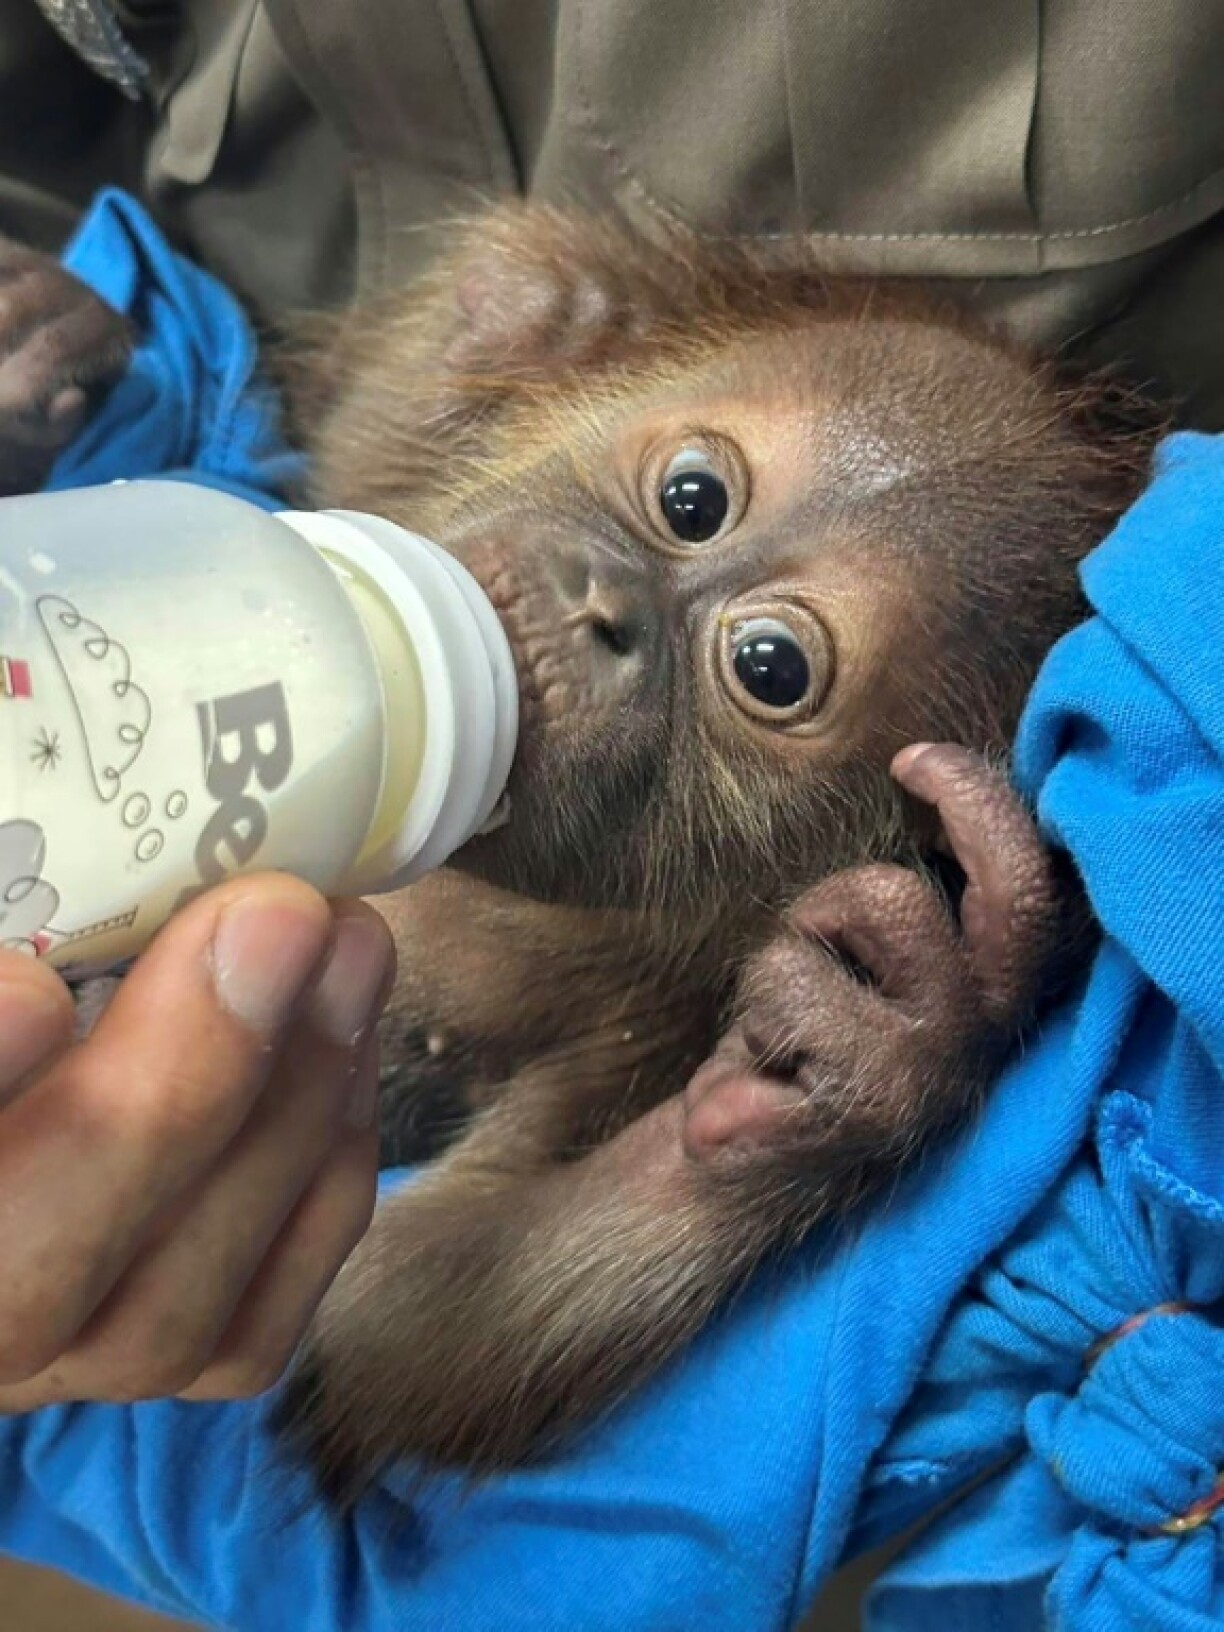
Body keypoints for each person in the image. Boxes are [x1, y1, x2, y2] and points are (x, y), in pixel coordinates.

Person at [1, 6, 1224, 1630]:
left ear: (880, 852)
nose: (604, 605)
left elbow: (371, 1358)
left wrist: (717, 1172)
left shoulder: (673, 991)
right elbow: (352, 487)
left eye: (773, 667)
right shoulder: (526, 377)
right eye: (691, 498)